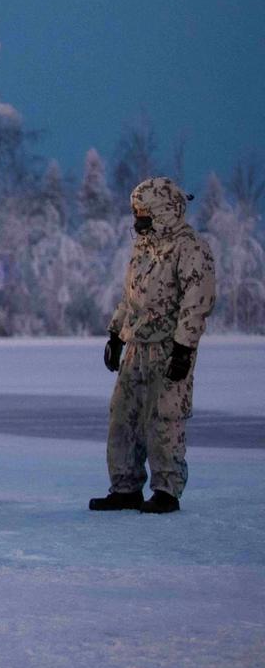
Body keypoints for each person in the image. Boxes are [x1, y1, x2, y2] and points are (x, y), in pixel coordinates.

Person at [91, 177, 216, 514]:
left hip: (168, 347)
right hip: (137, 346)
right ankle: (125, 487)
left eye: (144, 215)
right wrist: (116, 334)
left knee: (164, 418)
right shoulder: (144, 247)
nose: (138, 222)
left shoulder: (190, 248)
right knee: (123, 416)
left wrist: (184, 348)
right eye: (136, 214)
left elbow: (197, 301)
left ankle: (166, 490)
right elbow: (130, 296)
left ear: (164, 211)